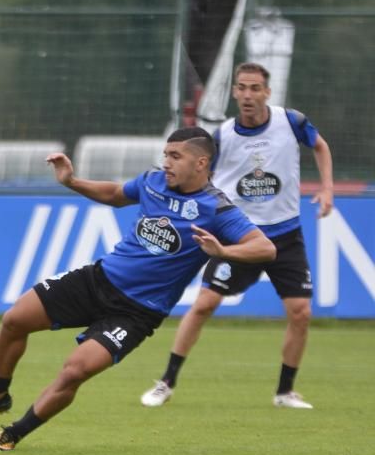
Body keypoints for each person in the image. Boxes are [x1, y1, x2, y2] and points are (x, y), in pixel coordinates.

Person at [0, 127, 276, 452]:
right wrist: (71, 182)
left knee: (75, 370)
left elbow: (265, 248)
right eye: (166, 154)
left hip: (135, 313)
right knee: (14, 319)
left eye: (175, 156)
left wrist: (224, 253)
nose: (167, 162)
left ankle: (15, 433)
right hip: (98, 279)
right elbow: (116, 194)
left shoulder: (217, 209)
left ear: (201, 162)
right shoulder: (153, 182)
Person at [140, 62, 334, 410]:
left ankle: (285, 392)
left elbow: (320, 145)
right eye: (242, 87)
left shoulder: (291, 122)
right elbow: (202, 178)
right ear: (234, 93)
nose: (248, 95)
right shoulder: (222, 136)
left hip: (285, 234)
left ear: (267, 92)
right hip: (240, 235)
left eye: (255, 88)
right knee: (204, 305)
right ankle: (165, 382)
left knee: (301, 312)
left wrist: (327, 188)